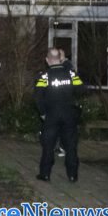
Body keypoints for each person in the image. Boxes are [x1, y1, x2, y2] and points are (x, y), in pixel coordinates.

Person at [33, 47, 84, 183]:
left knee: (48, 145)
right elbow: (81, 90)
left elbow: (38, 97)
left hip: (51, 115)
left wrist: (42, 113)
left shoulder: (44, 76)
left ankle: (45, 174)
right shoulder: (71, 74)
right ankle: (72, 175)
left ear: (47, 60)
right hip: (69, 114)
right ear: (60, 59)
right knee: (70, 145)